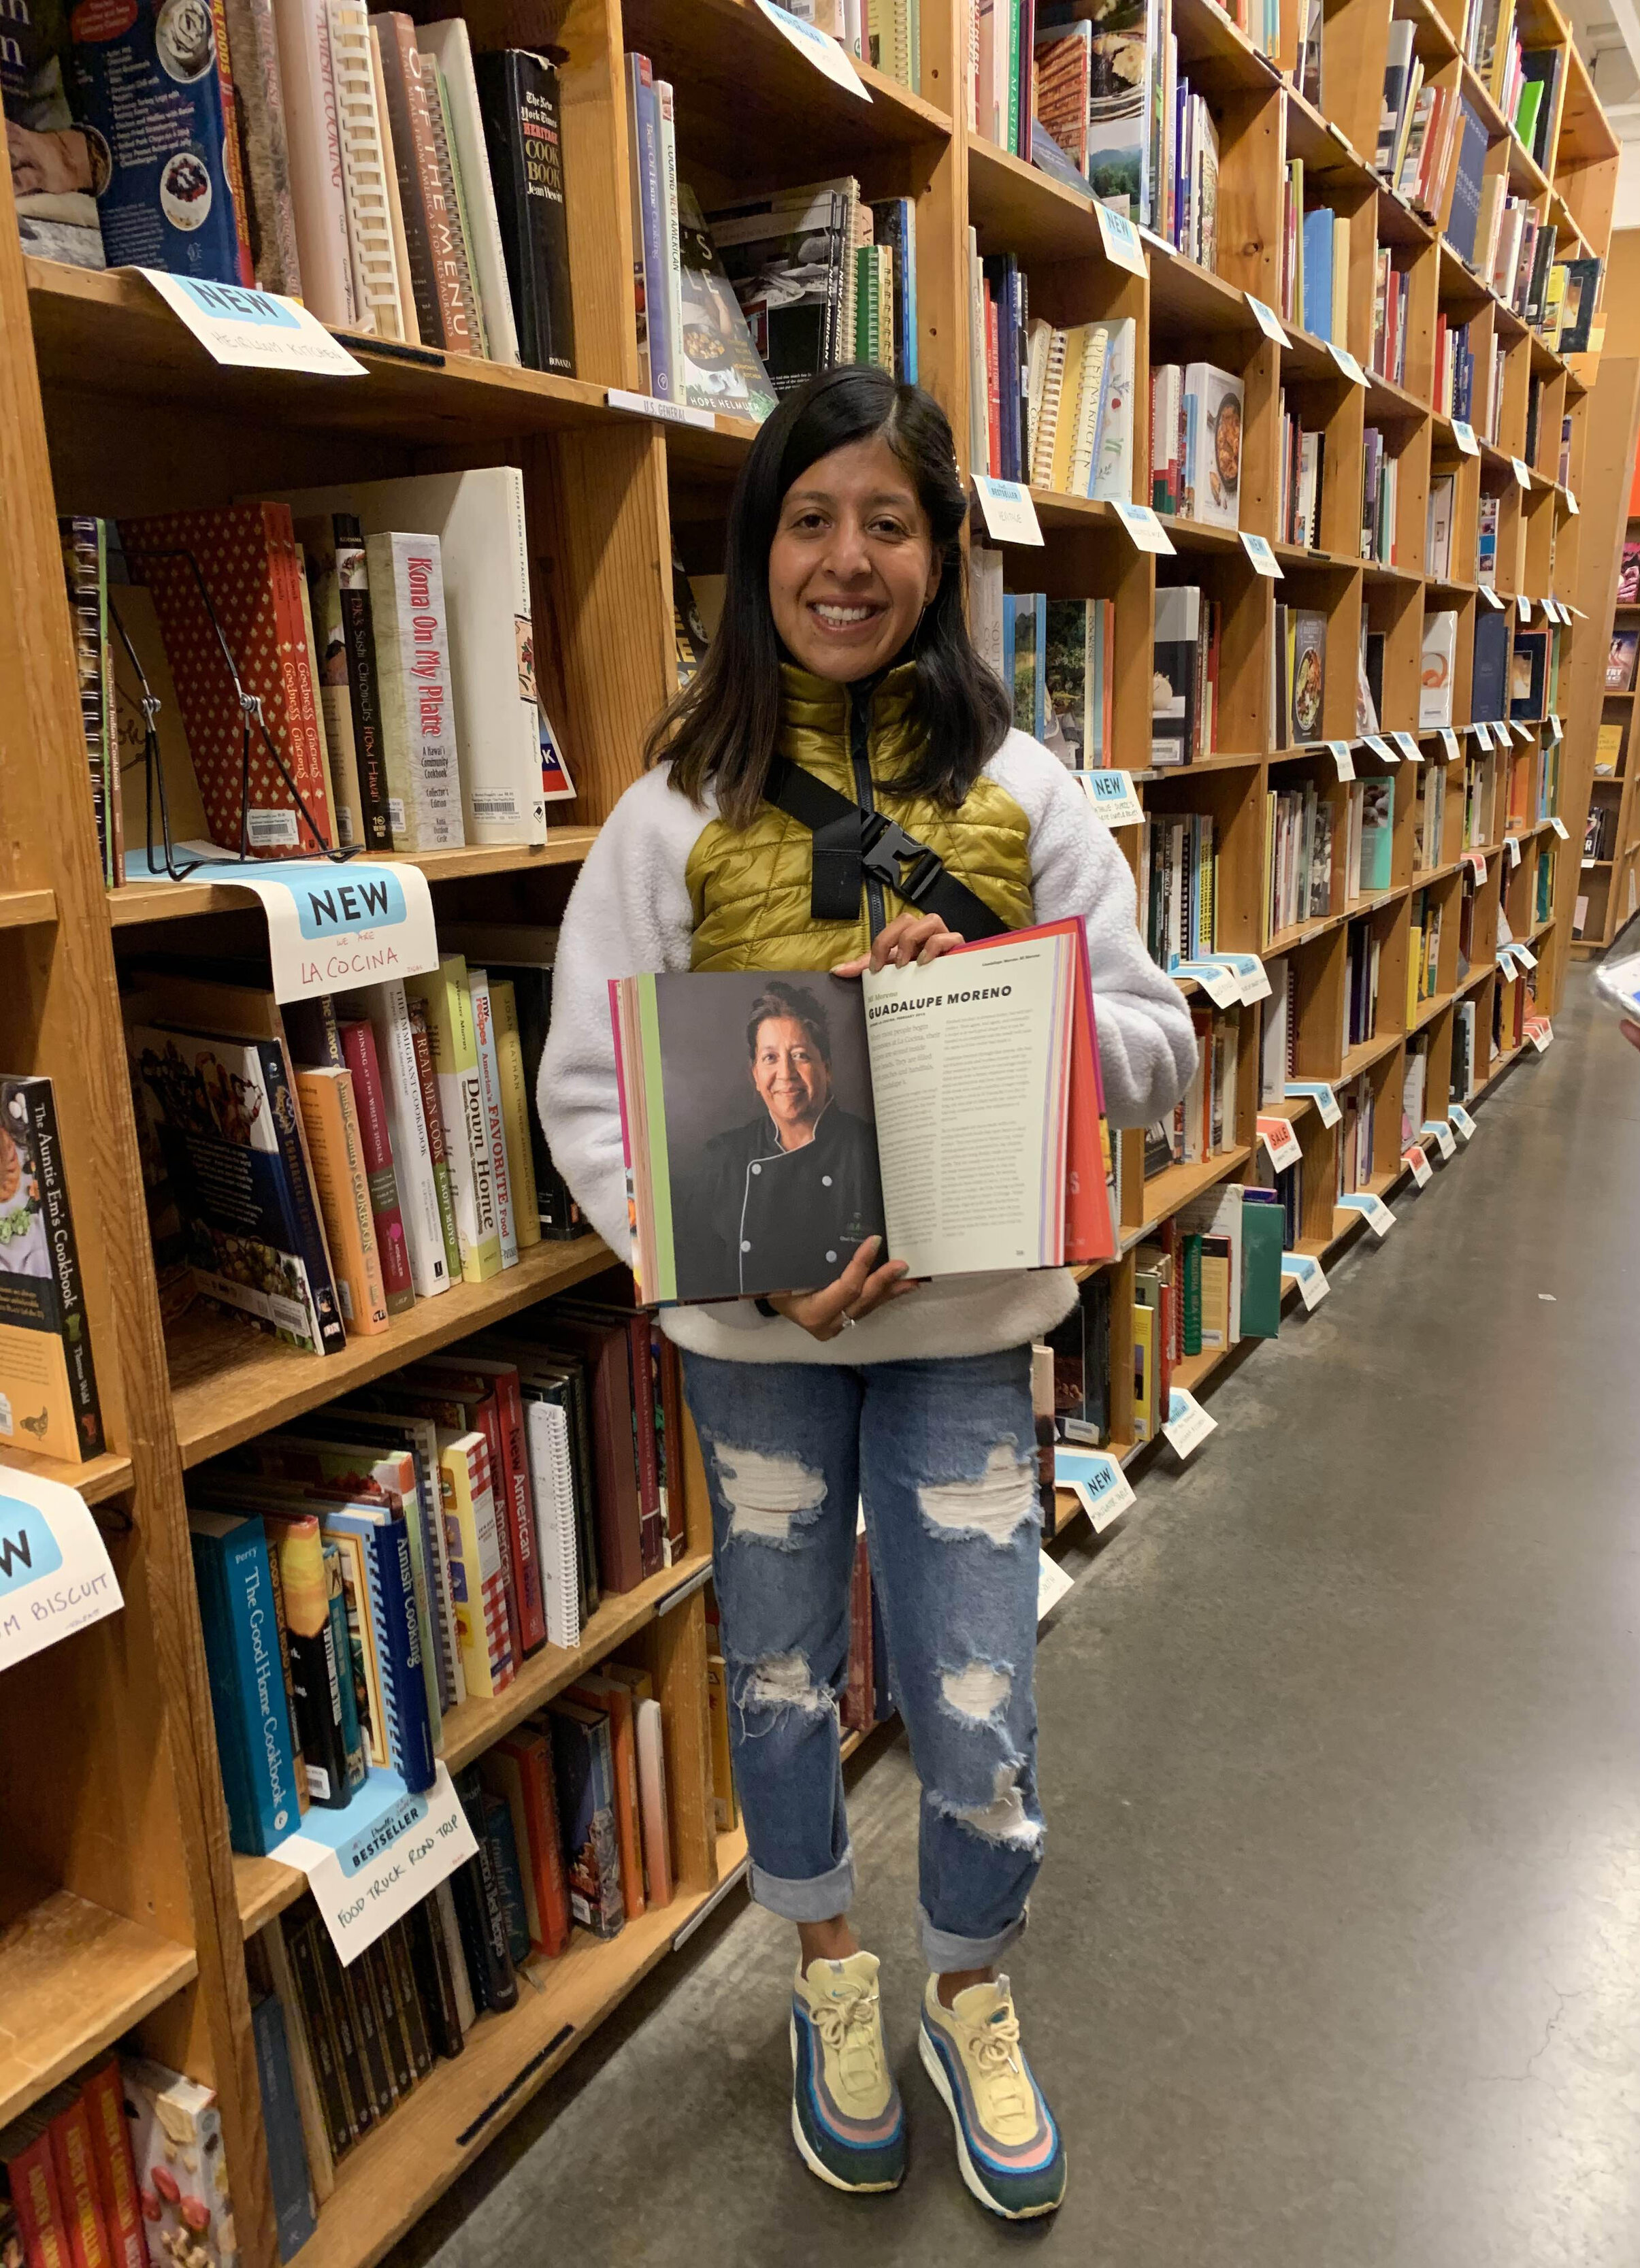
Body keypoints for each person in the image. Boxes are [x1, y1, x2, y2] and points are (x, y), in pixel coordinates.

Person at [540, 364, 1196, 2219]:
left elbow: (1156, 1049)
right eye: (807, 520)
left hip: (968, 1340)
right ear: (755, 555)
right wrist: (705, 1254)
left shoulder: (1023, 791)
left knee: (977, 1689)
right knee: (774, 1664)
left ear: (940, 554)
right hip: (759, 1344)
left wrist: (1013, 978)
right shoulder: (673, 812)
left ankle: (968, 1992)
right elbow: (588, 1096)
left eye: (886, 522)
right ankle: (829, 1958)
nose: (846, 559)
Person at [673, 980, 883, 1301]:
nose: (786, 1074)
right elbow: (694, 1272)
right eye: (770, 1058)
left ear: (826, 1069)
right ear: (755, 1074)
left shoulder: (872, 1150)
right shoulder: (722, 1158)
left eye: (800, 1055)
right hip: (746, 1339)